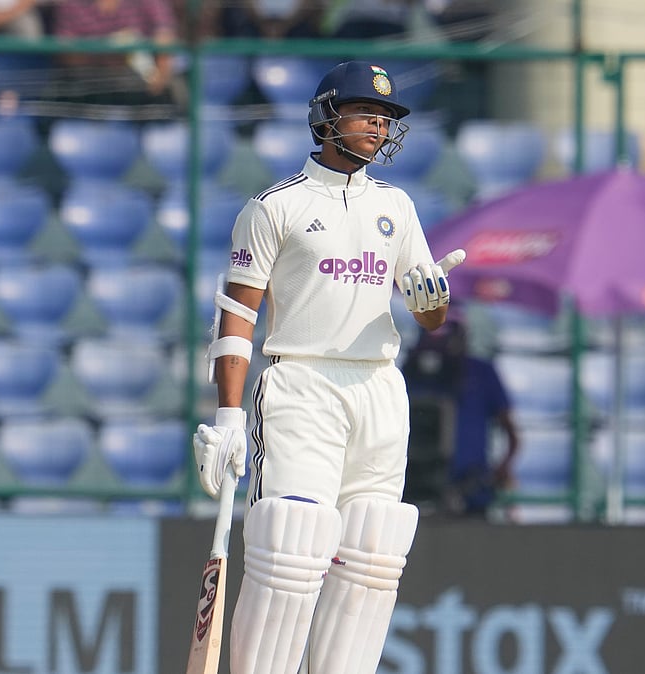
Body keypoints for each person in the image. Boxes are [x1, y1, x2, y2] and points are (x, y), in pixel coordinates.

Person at [192, 61, 463, 674]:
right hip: (300, 384)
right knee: (292, 540)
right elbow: (237, 314)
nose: (378, 123)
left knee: (373, 548)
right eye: (365, 110)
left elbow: (430, 317)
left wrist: (432, 300)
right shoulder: (274, 207)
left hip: (379, 388)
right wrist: (228, 415)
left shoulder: (397, 205)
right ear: (325, 116)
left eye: (387, 116)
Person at [401, 314, 519, 517]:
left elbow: (511, 433)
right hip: (414, 488)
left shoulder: (480, 372)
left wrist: (499, 470)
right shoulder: (410, 370)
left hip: (470, 491)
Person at [48, 0, 181, 108]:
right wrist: (108, 49)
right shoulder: (70, 5)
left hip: (137, 89)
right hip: (87, 89)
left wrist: (158, 74)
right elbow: (67, 54)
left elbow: (165, 35)